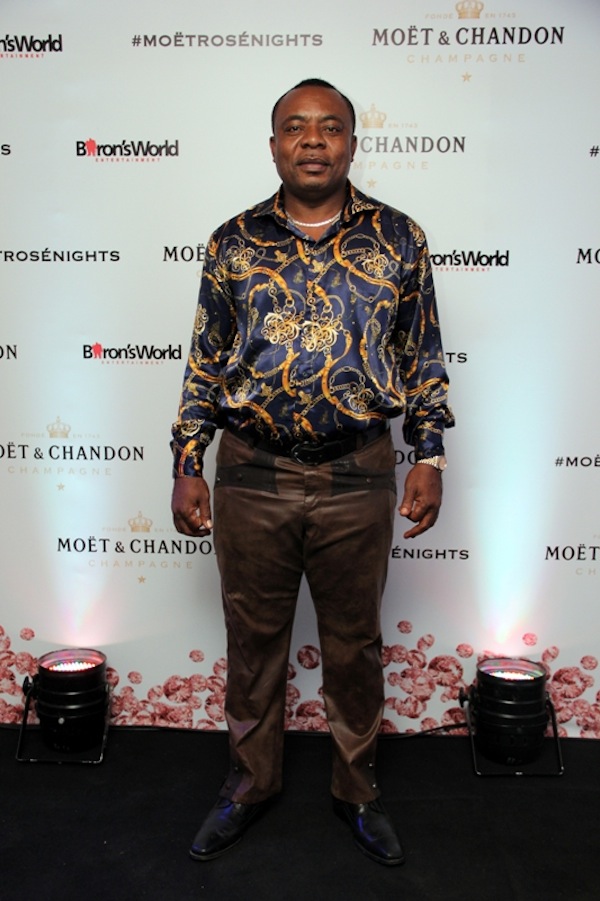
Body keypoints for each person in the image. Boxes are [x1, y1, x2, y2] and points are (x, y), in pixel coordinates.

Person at [171, 77, 454, 867]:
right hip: (251, 473)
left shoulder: (399, 239)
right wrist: (188, 461)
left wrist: (429, 454)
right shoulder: (233, 242)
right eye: (296, 127)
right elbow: (206, 360)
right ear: (274, 147)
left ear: (352, 144)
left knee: (354, 645)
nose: (313, 140)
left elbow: (423, 357)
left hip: (358, 474)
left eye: (330, 126)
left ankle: (356, 790)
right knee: (252, 643)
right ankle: (249, 785)